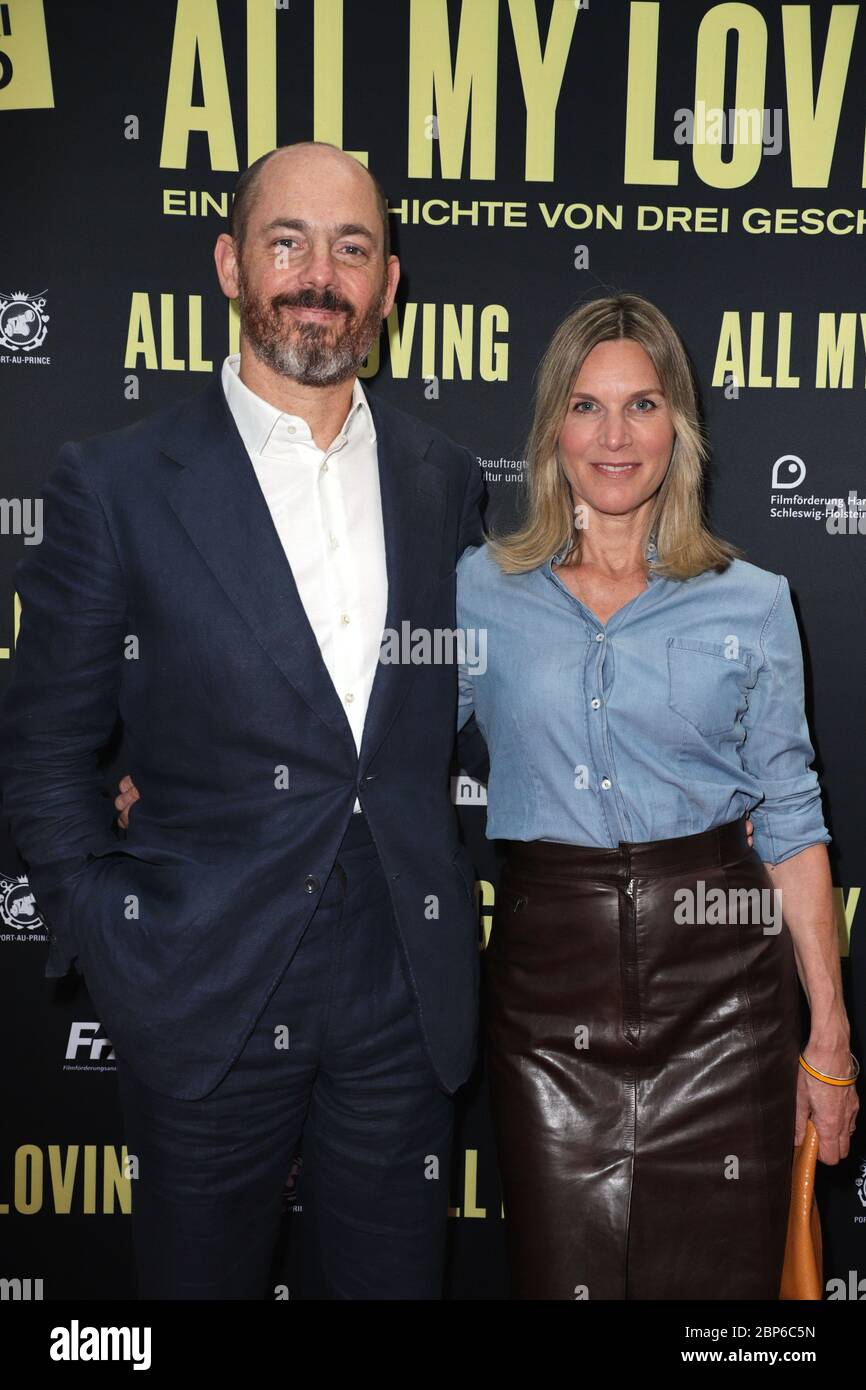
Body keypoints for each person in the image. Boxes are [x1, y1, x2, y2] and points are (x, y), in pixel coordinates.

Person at [0, 142, 487, 1300]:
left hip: (398, 1001)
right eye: (287, 241)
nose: (318, 274)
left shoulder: (441, 477)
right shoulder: (116, 480)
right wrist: (112, 936)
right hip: (202, 990)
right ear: (228, 262)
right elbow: (45, 745)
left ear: (387, 283)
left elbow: (454, 717)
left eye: (350, 247)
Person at [455, 293, 858, 1299]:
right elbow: (364, 738)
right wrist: (186, 768)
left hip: (723, 1000)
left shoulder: (751, 600)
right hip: (549, 1001)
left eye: (640, 405)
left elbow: (791, 818)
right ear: (553, 426)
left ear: (676, 423)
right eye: (586, 407)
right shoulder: (478, 591)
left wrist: (829, 1032)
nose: (613, 435)